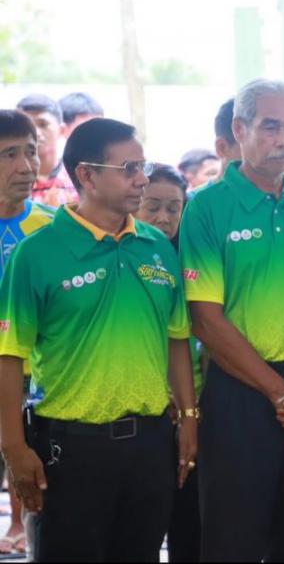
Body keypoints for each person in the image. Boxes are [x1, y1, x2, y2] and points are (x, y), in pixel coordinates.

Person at [0, 117, 197, 561]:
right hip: (70, 449)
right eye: (129, 169)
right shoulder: (38, 253)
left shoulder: (157, 247)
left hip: (150, 445)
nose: (141, 179)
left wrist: (189, 417)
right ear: (86, 175)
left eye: (143, 166)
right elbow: (8, 356)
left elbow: (177, 339)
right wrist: (13, 446)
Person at [180, 79, 284, 561]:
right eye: (270, 127)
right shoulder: (207, 207)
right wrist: (281, 395)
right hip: (242, 398)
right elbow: (205, 319)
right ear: (240, 129)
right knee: (232, 542)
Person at [136, 166, 201, 562]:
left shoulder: (192, 262)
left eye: (173, 208)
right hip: (144, 410)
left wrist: (191, 409)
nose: (163, 218)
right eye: (153, 207)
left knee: (189, 524)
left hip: (191, 410)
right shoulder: (121, 257)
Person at [0, 110, 54, 556]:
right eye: (9, 154)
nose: (25, 166)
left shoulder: (55, 228)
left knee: (34, 479)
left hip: (38, 380)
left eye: (31, 152)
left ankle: (22, 529)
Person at [16, 95, 78, 208]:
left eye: (43, 124)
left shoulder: (79, 177)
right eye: (26, 126)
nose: (34, 132)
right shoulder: (8, 178)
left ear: (61, 130)